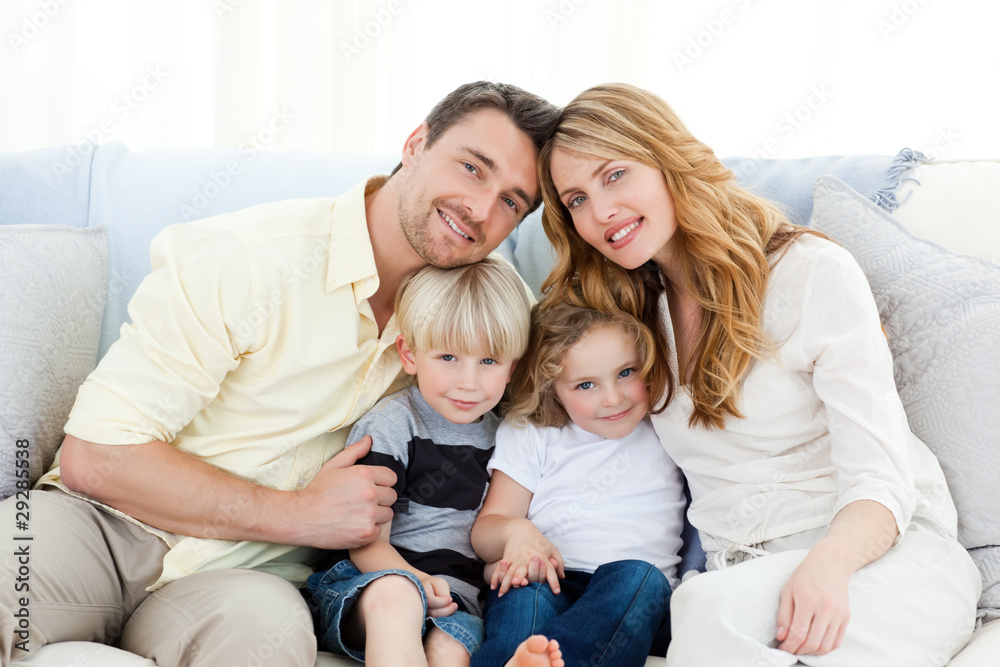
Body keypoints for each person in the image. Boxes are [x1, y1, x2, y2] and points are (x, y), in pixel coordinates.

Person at [0, 81, 560, 666]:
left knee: (266, 641)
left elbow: (591, 392)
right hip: (103, 527)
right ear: (416, 143)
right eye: (472, 168)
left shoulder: (491, 320)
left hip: (245, 582)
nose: (481, 209)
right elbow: (96, 456)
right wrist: (301, 515)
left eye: (512, 202)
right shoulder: (251, 258)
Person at [536, 82, 981, 666]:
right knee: (708, 612)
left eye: (615, 175)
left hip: (880, 554)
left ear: (667, 159)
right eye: (575, 199)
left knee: (715, 619)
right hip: (742, 581)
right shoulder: (629, 319)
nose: (600, 212)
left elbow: (881, 478)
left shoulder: (811, 273)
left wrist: (828, 566)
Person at [305, 257, 532, 666]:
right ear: (409, 354)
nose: (469, 381)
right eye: (448, 358)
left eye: (489, 361)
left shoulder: (509, 438)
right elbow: (365, 544)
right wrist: (418, 583)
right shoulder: (395, 424)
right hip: (368, 584)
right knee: (398, 597)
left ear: (511, 368)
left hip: (456, 602)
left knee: (451, 647)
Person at [470, 303, 687, 667]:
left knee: (638, 576)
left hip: (635, 596)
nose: (613, 398)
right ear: (552, 388)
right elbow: (486, 531)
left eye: (626, 372)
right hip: (550, 576)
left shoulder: (667, 421)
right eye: (586, 384)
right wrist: (516, 533)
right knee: (522, 594)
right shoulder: (531, 432)